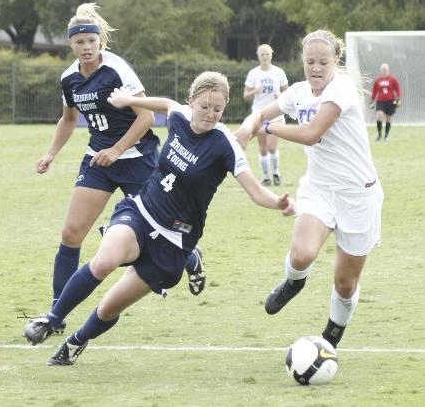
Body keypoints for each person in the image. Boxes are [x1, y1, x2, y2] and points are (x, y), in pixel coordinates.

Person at [23, 71, 295, 365]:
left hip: (174, 240)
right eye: (204, 106)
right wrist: (127, 99)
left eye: (218, 109)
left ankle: (76, 343)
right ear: (191, 101)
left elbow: (255, 191)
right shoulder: (179, 115)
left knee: (108, 308)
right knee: (104, 261)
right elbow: (164, 103)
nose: (210, 114)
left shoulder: (224, 144)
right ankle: (51, 319)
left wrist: (277, 202)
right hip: (141, 212)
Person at [29, 3, 202, 335]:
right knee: (70, 233)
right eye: (80, 43)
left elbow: (147, 116)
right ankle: (56, 314)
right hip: (99, 160)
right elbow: (68, 120)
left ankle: (190, 256)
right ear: (72, 45)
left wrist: (118, 149)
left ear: (99, 41)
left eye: (91, 41)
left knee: (157, 232)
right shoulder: (69, 79)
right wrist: (50, 153)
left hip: (137, 158)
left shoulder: (117, 69)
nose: (87, 47)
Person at [236, 30, 384, 349]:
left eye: (323, 62)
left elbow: (311, 133)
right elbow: (261, 112)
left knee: (345, 283)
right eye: (310, 62)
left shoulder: (341, 89)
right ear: (302, 62)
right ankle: (294, 282)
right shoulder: (299, 91)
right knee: (301, 255)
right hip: (318, 188)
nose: (316, 68)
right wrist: (247, 128)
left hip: (358, 195)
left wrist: (265, 127)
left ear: (335, 62)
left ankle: (331, 336)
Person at [243, 44, 289, 186]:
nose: (264, 57)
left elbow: (288, 94)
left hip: (275, 114)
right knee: (262, 148)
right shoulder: (253, 74)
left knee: (271, 147)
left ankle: (275, 173)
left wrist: (280, 95)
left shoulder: (279, 72)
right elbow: (246, 95)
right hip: (259, 114)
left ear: (271, 55)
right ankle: (266, 177)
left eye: (267, 54)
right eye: (262, 54)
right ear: (258, 56)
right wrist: (255, 90)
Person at [370, 63, 401, 141]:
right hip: (380, 101)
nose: (384, 71)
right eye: (383, 70)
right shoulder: (377, 80)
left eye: (386, 70)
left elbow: (397, 89)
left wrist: (398, 98)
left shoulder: (393, 79)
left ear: (388, 70)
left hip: (391, 101)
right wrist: (372, 100)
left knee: (388, 118)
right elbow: (374, 91)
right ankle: (379, 135)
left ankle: (386, 136)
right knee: (379, 115)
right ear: (381, 71)